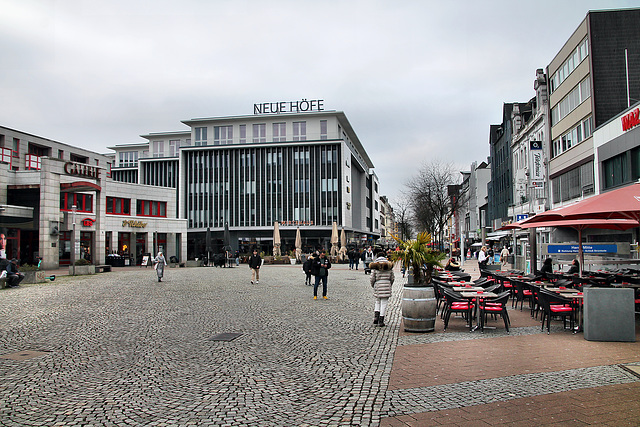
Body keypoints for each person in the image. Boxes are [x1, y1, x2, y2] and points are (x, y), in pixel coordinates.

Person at [369, 252, 395, 327]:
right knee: (384, 303)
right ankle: (381, 320)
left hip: (378, 285)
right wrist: (390, 284)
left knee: (377, 301)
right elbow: (392, 278)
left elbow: (372, 278)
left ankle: (376, 318)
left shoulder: (375, 266)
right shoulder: (389, 266)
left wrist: (373, 285)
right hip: (386, 285)